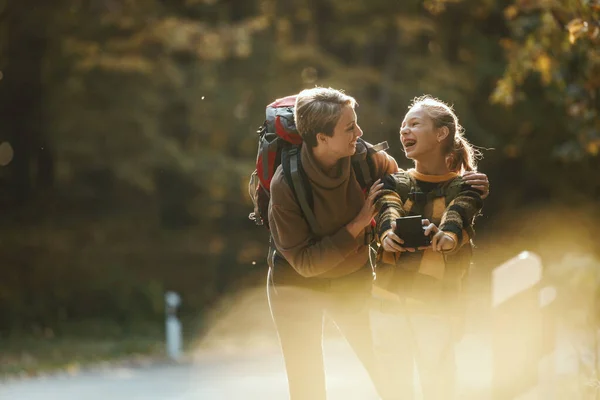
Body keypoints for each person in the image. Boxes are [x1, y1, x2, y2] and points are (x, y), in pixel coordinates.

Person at [266, 87, 489, 399]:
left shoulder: (368, 160)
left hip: (352, 275)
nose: (359, 132)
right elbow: (305, 264)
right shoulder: (286, 183)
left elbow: (412, 193)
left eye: (356, 123)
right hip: (295, 283)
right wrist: (359, 223)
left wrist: (464, 181)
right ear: (322, 138)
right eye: (349, 128)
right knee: (307, 384)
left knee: (386, 372)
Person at [371, 95, 485, 399]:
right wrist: (386, 233)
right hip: (387, 300)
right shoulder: (395, 182)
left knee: (439, 386)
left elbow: (460, 211)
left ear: (441, 133)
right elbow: (387, 208)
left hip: (436, 304)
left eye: (415, 124)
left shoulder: (465, 186)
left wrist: (448, 237)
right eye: (403, 125)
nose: (404, 130)